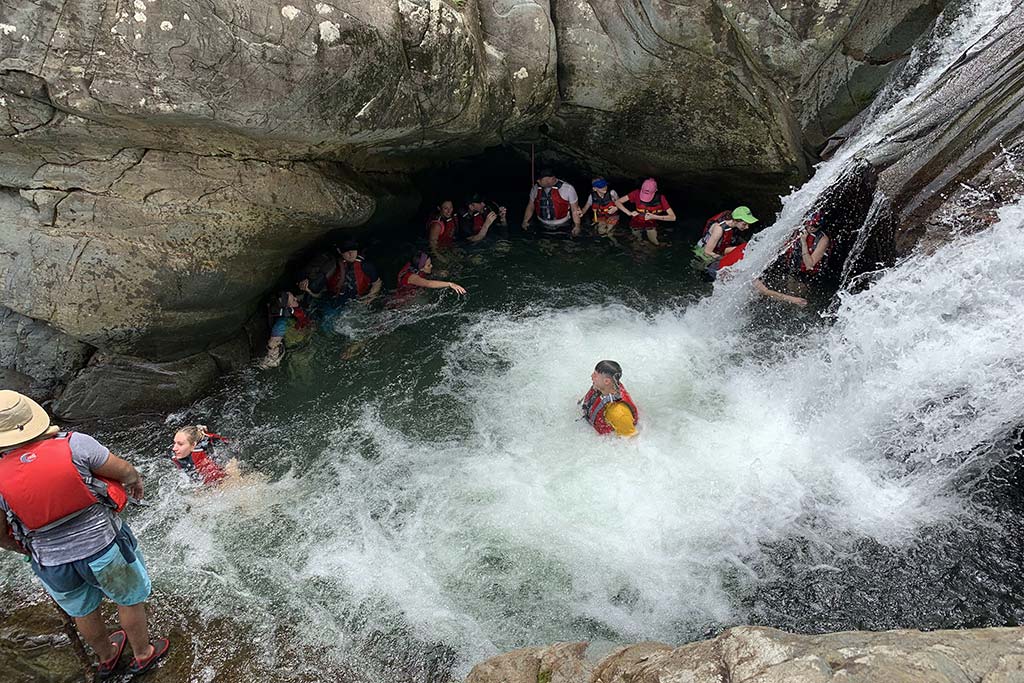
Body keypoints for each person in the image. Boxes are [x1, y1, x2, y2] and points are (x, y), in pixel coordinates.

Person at [0, 391, 170, 678]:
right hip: (103, 546)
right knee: (128, 598)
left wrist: (28, 550)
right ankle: (143, 654)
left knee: (83, 610)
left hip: (53, 562)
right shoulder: (75, 444)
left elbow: (1, 535)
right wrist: (134, 481)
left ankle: (106, 657)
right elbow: (124, 470)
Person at [754, 211, 832, 307]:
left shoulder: (823, 239)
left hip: (807, 275)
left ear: (820, 226)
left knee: (799, 299)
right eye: (809, 224)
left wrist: (803, 241)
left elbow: (809, 265)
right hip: (791, 268)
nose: (811, 228)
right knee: (785, 295)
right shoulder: (797, 229)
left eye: (815, 226)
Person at [694, 206, 759, 278]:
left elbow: (723, 246)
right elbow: (707, 251)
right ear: (735, 220)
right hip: (703, 252)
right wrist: (722, 258)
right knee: (708, 274)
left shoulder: (733, 226)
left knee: (744, 248)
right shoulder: (719, 229)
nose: (747, 227)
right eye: (744, 224)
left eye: (748, 224)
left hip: (718, 249)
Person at [578, 360, 639, 437]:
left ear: (606, 381)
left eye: (595, 375)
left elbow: (631, 441)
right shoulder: (602, 387)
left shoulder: (619, 413)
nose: (591, 376)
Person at [259, 289, 312, 368]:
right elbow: (272, 343)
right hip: (299, 346)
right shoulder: (281, 324)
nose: (296, 299)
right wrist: (271, 357)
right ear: (288, 307)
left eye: (294, 297)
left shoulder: (294, 309)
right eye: (293, 300)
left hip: (305, 333)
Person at [615, 178, 675, 246]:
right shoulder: (636, 193)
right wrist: (629, 213)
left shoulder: (661, 198)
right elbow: (617, 202)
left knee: (655, 243)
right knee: (637, 241)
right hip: (636, 221)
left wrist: (654, 216)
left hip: (651, 223)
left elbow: (673, 217)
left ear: (656, 190)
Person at [170, 425, 237, 486]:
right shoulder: (177, 455)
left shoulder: (201, 458)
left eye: (180, 444)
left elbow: (220, 480)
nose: (174, 448)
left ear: (193, 445)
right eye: (175, 443)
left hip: (228, 456)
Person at [521, 169, 581, 236]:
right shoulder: (535, 188)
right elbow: (531, 206)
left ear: (551, 179)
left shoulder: (568, 189)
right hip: (541, 225)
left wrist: (577, 226)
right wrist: (525, 221)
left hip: (563, 225)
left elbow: (575, 210)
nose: (537, 181)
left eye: (540, 179)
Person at [396, 251, 467, 297]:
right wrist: (450, 284)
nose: (431, 266)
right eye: (429, 265)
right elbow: (428, 284)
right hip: (405, 301)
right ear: (421, 268)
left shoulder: (414, 264)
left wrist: (436, 272)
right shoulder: (411, 277)